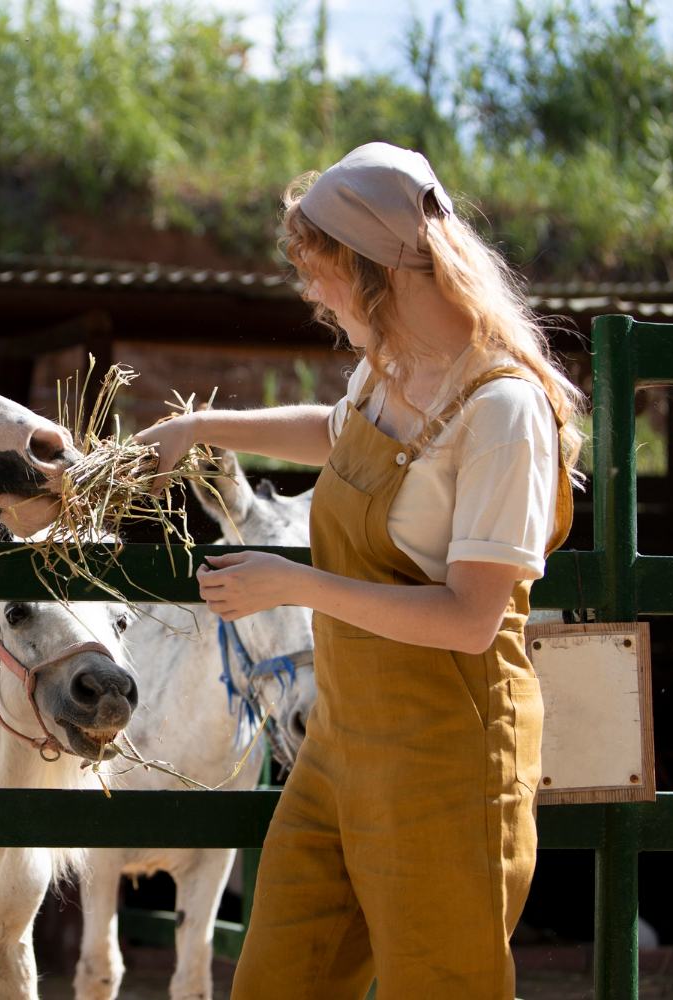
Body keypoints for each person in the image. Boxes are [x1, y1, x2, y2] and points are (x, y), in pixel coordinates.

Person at [134, 141, 581, 999]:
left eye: (319, 271)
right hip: (340, 747)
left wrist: (293, 584)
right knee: (276, 980)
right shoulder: (393, 376)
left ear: (376, 272)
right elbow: (335, 434)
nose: (310, 292)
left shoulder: (501, 412)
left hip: (444, 767)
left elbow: (469, 619)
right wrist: (205, 429)